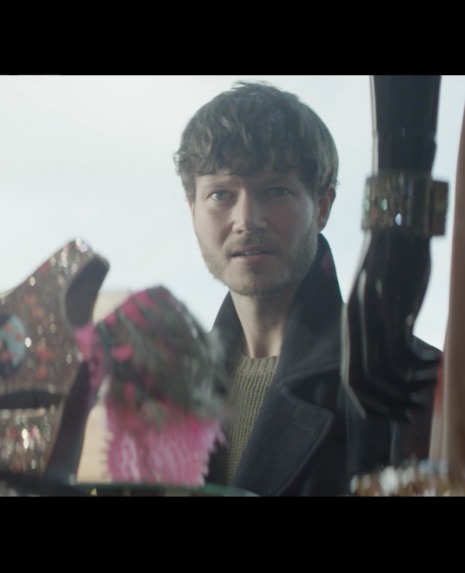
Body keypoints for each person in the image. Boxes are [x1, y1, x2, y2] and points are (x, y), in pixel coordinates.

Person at [174, 81, 439, 496]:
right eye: (222, 194)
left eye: (275, 190)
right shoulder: (166, 388)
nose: (247, 220)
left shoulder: (408, 383)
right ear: (192, 210)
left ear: (322, 206)